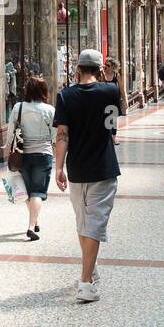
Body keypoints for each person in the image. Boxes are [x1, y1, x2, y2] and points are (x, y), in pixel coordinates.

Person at [54, 49, 121, 303]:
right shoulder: (110, 92)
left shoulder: (65, 96)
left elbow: (62, 134)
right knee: (93, 223)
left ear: (78, 69)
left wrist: (58, 168)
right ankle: (85, 281)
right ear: (100, 70)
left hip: (77, 168)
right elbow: (112, 128)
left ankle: (89, 271)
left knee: (84, 221)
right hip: (103, 167)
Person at [8, 76, 56, 241]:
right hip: (43, 154)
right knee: (38, 192)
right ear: (43, 91)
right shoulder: (49, 110)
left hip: (22, 156)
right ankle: (30, 227)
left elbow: (10, 132)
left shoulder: (18, 107)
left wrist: (8, 149)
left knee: (29, 192)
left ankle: (35, 220)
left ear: (27, 91)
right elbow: (55, 135)